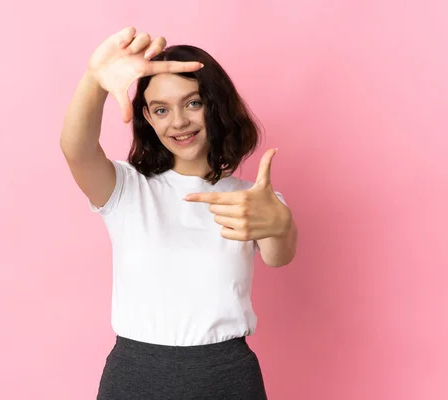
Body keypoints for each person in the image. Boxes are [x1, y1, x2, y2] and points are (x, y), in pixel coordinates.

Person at [60, 26, 298, 400]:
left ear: (215, 105)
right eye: (161, 109)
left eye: (193, 103)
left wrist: (281, 223)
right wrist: (94, 81)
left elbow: (279, 255)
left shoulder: (251, 199)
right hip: (135, 375)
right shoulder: (126, 188)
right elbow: (77, 150)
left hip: (227, 376)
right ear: (148, 118)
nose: (179, 122)